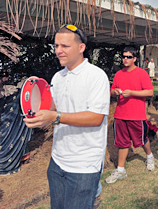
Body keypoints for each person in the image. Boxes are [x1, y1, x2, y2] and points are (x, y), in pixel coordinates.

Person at [24, 24, 110, 209]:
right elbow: (54, 110)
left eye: (64, 46)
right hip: (57, 160)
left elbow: (96, 117)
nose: (58, 51)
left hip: (84, 165)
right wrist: (39, 117)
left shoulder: (96, 76)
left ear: (81, 48)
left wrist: (54, 116)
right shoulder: (57, 77)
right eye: (56, 46)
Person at [105, 47, 155, 184]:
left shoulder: (142, 73)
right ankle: (121, 170)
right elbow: (112, 90)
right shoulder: (118, 74)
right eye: (123, 56)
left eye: (128, 57)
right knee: (122, 143)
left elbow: (150, 92)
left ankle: (149, 156)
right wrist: (115, 92)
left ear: (134, 59)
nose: (125, 59)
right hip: (120, 114)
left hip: (136, 114)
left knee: (142, 140)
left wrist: (132, 93)